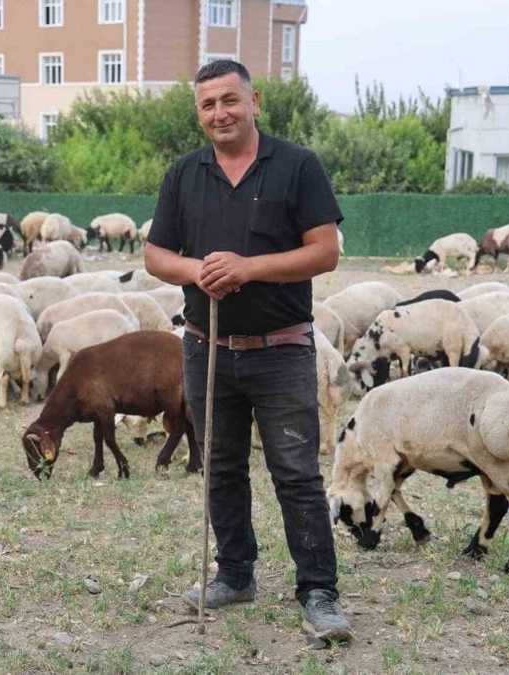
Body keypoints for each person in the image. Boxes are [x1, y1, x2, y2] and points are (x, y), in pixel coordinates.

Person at [143, 59, 351, 641]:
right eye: (208, 105)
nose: (220, 113)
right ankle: (234, 574)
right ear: (198, 112)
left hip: (280, 350)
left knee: (295, 472)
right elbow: (156, 254)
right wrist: (197, 270)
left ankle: (318, 590)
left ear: (254, 102)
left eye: (230, 101)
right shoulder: (184, 174)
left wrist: (247, 269)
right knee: (221, 468)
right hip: (206, 346)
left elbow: (325, 251)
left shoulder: (297, 167)